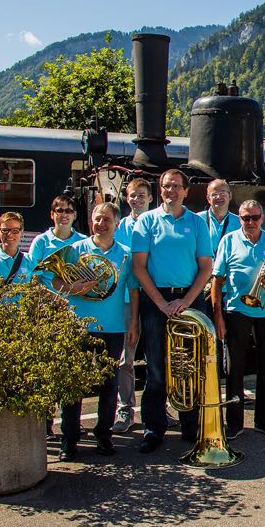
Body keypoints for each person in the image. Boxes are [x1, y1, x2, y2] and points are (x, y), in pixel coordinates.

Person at [131, 169, 213, 454]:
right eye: (166, 186)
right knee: (156, 370)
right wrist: (161, 304)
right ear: (160, 189)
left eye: (176, 186)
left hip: (190, 299)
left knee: (191, 368)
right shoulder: (146, 221)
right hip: (157, 301)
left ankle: (191, 427)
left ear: (186, 191)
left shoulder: (198, 223)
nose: (171, 191)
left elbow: (206, 268)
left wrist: (187, 301)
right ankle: (153, 429)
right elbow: (139, 267)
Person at [55, 202, 139, 460]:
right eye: (96, 218)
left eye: (106, 220)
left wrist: (133, 322)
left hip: (112, 326)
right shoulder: (75, 249)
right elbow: (56, 281)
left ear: (116, 224)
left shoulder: (125, 254)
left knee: (108, 384)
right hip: (78, 324)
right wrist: (74, 287)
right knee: (73, 383)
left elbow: (133, 290)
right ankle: (69, 439)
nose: (100, 223)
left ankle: (104, 435)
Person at [212, 200, 265, 438]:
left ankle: (262, 420)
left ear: (262, 219)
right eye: (246, 218)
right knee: (235, 369)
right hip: (237, 312)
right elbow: (217, 279)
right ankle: (234, 423)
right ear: (240, 219)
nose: (251, 222)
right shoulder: (229, 240)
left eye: (255, 218)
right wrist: (218, 317)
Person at [112, 178, 153, 433]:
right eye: (132, 195)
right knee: (125, 360)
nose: (136, 199)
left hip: (154, 298)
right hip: (127, 301)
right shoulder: (119, 227)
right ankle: (125, 411)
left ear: (150, 198)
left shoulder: (157, 224)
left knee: (157, 359)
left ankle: (157, 409)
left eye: (141, 195)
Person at [28, 195, 87, 290]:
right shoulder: (41, 241)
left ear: (75, 215)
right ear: (52, 214)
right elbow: (34, 280)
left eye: (68, 211)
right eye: (59, 211)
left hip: (77, 301)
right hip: (49, 302)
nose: (64, 214)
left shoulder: (84, 241)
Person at [196, 179, 241, 260]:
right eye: (214, 194)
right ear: (208, 198)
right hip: (202, 269)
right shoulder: (197, 219)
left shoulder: (239, 222)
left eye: (223, 193)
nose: (219, 197)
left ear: (230, 196)